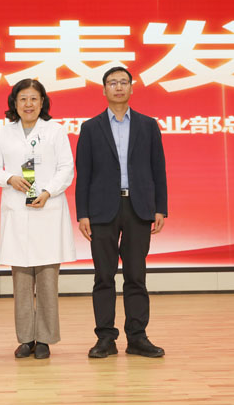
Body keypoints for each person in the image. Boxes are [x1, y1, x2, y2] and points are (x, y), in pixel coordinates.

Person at [75, 66, 168, 359]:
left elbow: (158, 168)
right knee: (103, 276)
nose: (118, 87)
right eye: (112, 83)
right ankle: (105, 338)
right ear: (104, 89)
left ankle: (137, 337)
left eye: (123, 82)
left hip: (138, 207)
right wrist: (82, 213)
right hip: (102, 210)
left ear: (131, 88)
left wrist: (160, 207)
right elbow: (83, 173)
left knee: (136, 275)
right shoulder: (91, 128)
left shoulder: (148, 125)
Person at [0, 79, 76, 360]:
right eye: (23, 99)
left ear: (42, 102)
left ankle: (46, 339)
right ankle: (26, 339)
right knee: (22, 282)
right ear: (14, 103)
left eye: (34, 99)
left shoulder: (55, 131)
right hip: (17, 211)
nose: (28, 104)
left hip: (47, 209)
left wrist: (48, 191)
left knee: (48, 281)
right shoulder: (3, 133)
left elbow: (66, 168)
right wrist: (9, 178)